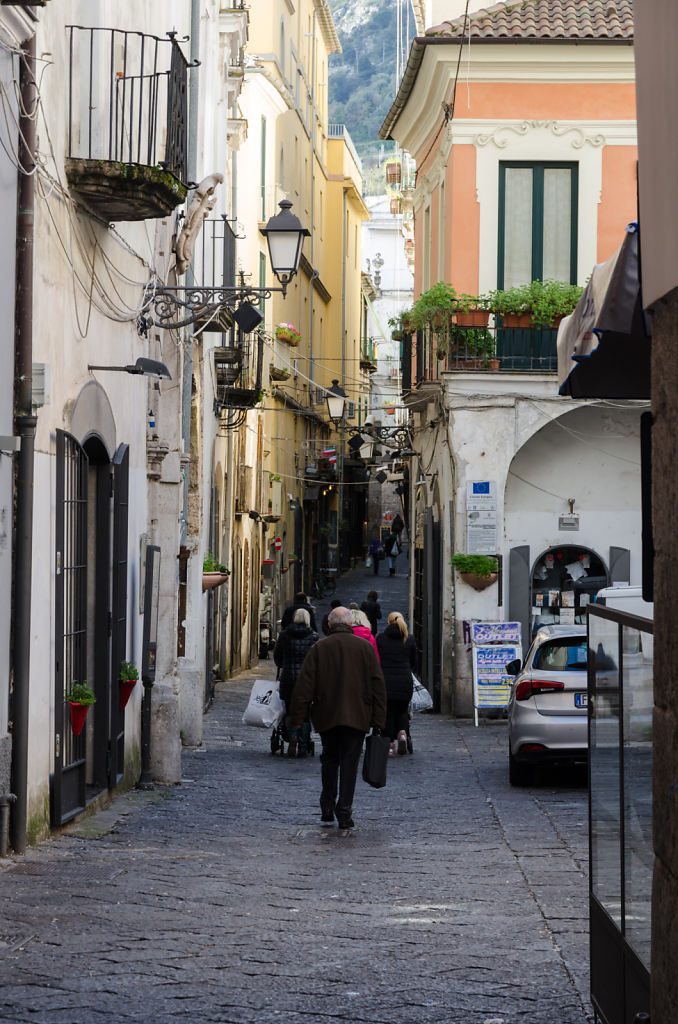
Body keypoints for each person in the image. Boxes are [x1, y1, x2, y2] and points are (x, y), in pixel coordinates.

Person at [289, 606, 386, 829]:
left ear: (330, 625)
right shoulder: (365, 648)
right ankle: (344, 811)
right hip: (358, 716)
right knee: (350, 763)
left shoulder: (320, 648)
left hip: (327, 714)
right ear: (351, 624)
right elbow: (378, 685)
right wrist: (379, 720)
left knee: (330, 760)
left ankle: (327, 806)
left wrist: (297, 718)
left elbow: (304, 686)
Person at [273, 608, 319, 756]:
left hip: (288, 678)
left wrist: (284, 664)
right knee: (305, 712)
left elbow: (277, 657)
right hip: (307, 681)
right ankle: (303, 745)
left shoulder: (285, 635)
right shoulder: (313, 637)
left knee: (289, 709)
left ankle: (292, 737)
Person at [377, 611, 417, 756]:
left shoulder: (381, 638)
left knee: (387, 712)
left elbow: (378, 659)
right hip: (404, 680)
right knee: (402, 710)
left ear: (388, 622)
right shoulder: (409, 639)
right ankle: (402, 733)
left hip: (386, 680)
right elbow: (414, 661)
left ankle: (390, 744)